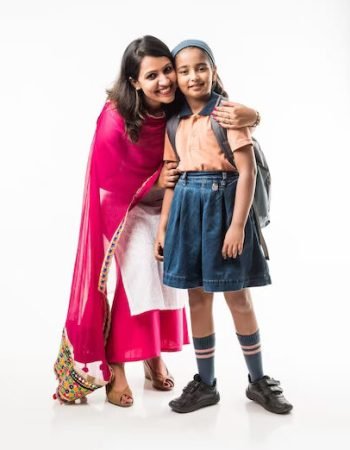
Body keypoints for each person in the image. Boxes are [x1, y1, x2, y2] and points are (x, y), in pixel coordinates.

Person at [53, 35, 260, 407]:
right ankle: (117, 364)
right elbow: (108, 179)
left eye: (168, 71)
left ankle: (152, 356)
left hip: (171, 203)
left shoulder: (175, 103)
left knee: (165, 278)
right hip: (123, 208)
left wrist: (255, 116)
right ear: (134, 82)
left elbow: (219, 112)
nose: (165, 81)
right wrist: (154, 183)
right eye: (152, 76)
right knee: (138, 278)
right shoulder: (115, 118)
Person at [155, 39, 293, 414]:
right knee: (197, 297)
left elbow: (246, 171)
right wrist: (165, 226)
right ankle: (206, 383)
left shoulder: (229, 114)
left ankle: (258, 380)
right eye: (184, 71)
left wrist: (237, 227)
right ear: (177, 79)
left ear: (214, 71)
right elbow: (172, 179)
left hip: (223, 207)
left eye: (201, 67)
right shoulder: (175, 123)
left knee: (238, 296)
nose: (193, 76)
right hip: (186, 208)